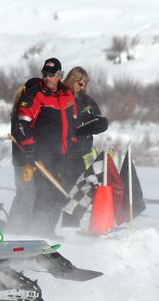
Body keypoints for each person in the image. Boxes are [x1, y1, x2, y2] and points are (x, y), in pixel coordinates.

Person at [12, 57, 78, 238]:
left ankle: (47, 229)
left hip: (63, 154)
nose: (47, 78)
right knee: (44, 194)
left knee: (62, 193)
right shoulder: (34, 95)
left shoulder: (68, 95)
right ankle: (38, 233)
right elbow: (21, 125)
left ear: (60, 76)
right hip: (43, 155)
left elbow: (73, 123)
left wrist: (72, 144)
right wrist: (30, 148)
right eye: (45, 74)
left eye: (51, 75)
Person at [61, 66, 108, 227]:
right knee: (66, 191)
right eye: (80, 84)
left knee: (86, 189)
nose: (82, 87)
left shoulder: (87, 100)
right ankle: (57, 223)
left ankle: (73, 221)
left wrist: (99, 124)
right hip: (66, 154)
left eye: (85, 84)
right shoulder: (62, 97)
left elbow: (97, 118)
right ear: (72, 80)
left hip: (85, 153)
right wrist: (78, 127)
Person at [7, 77, 40, 234]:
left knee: (22, 192)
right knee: (28, 193)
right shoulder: (22, 109)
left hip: (21, 159)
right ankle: (23, 228)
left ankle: (13, 224)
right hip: (24, 160)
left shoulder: (20, 107)